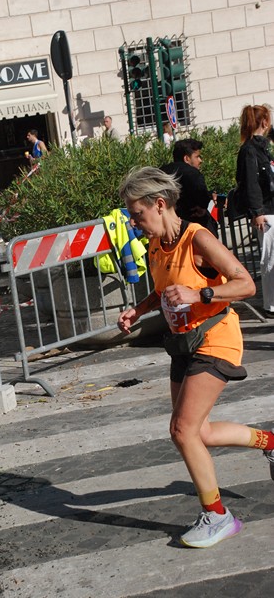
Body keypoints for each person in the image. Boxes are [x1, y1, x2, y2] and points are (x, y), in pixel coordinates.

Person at [117, 166, 274, 548]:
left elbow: (245, 283)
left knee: (182, 430)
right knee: (196, 432)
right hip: (182, 343)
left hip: (216, 338)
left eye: (137, 214)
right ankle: (270, 442)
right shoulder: (156, 245)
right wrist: (138, 310)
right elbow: (164, 290)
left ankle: (218, 516)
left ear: (159, 204)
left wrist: (200, 295)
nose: (134, 222)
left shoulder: (197, 238)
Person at [235, 104, 274, 319]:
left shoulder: (260, 148)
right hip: (266, 212)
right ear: (264, 122)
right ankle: (271, 304)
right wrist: (257, 212)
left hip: (269, 209)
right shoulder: (251, 149)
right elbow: (250, 183)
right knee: (270, 259)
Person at [161, 139, 218, 237]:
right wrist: (204, 203)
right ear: (186, 158)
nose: (200, 160)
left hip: (169, 229)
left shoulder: (161, 172)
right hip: (196, 227)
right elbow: (201, 195)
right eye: (197, 156)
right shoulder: (193, 173)